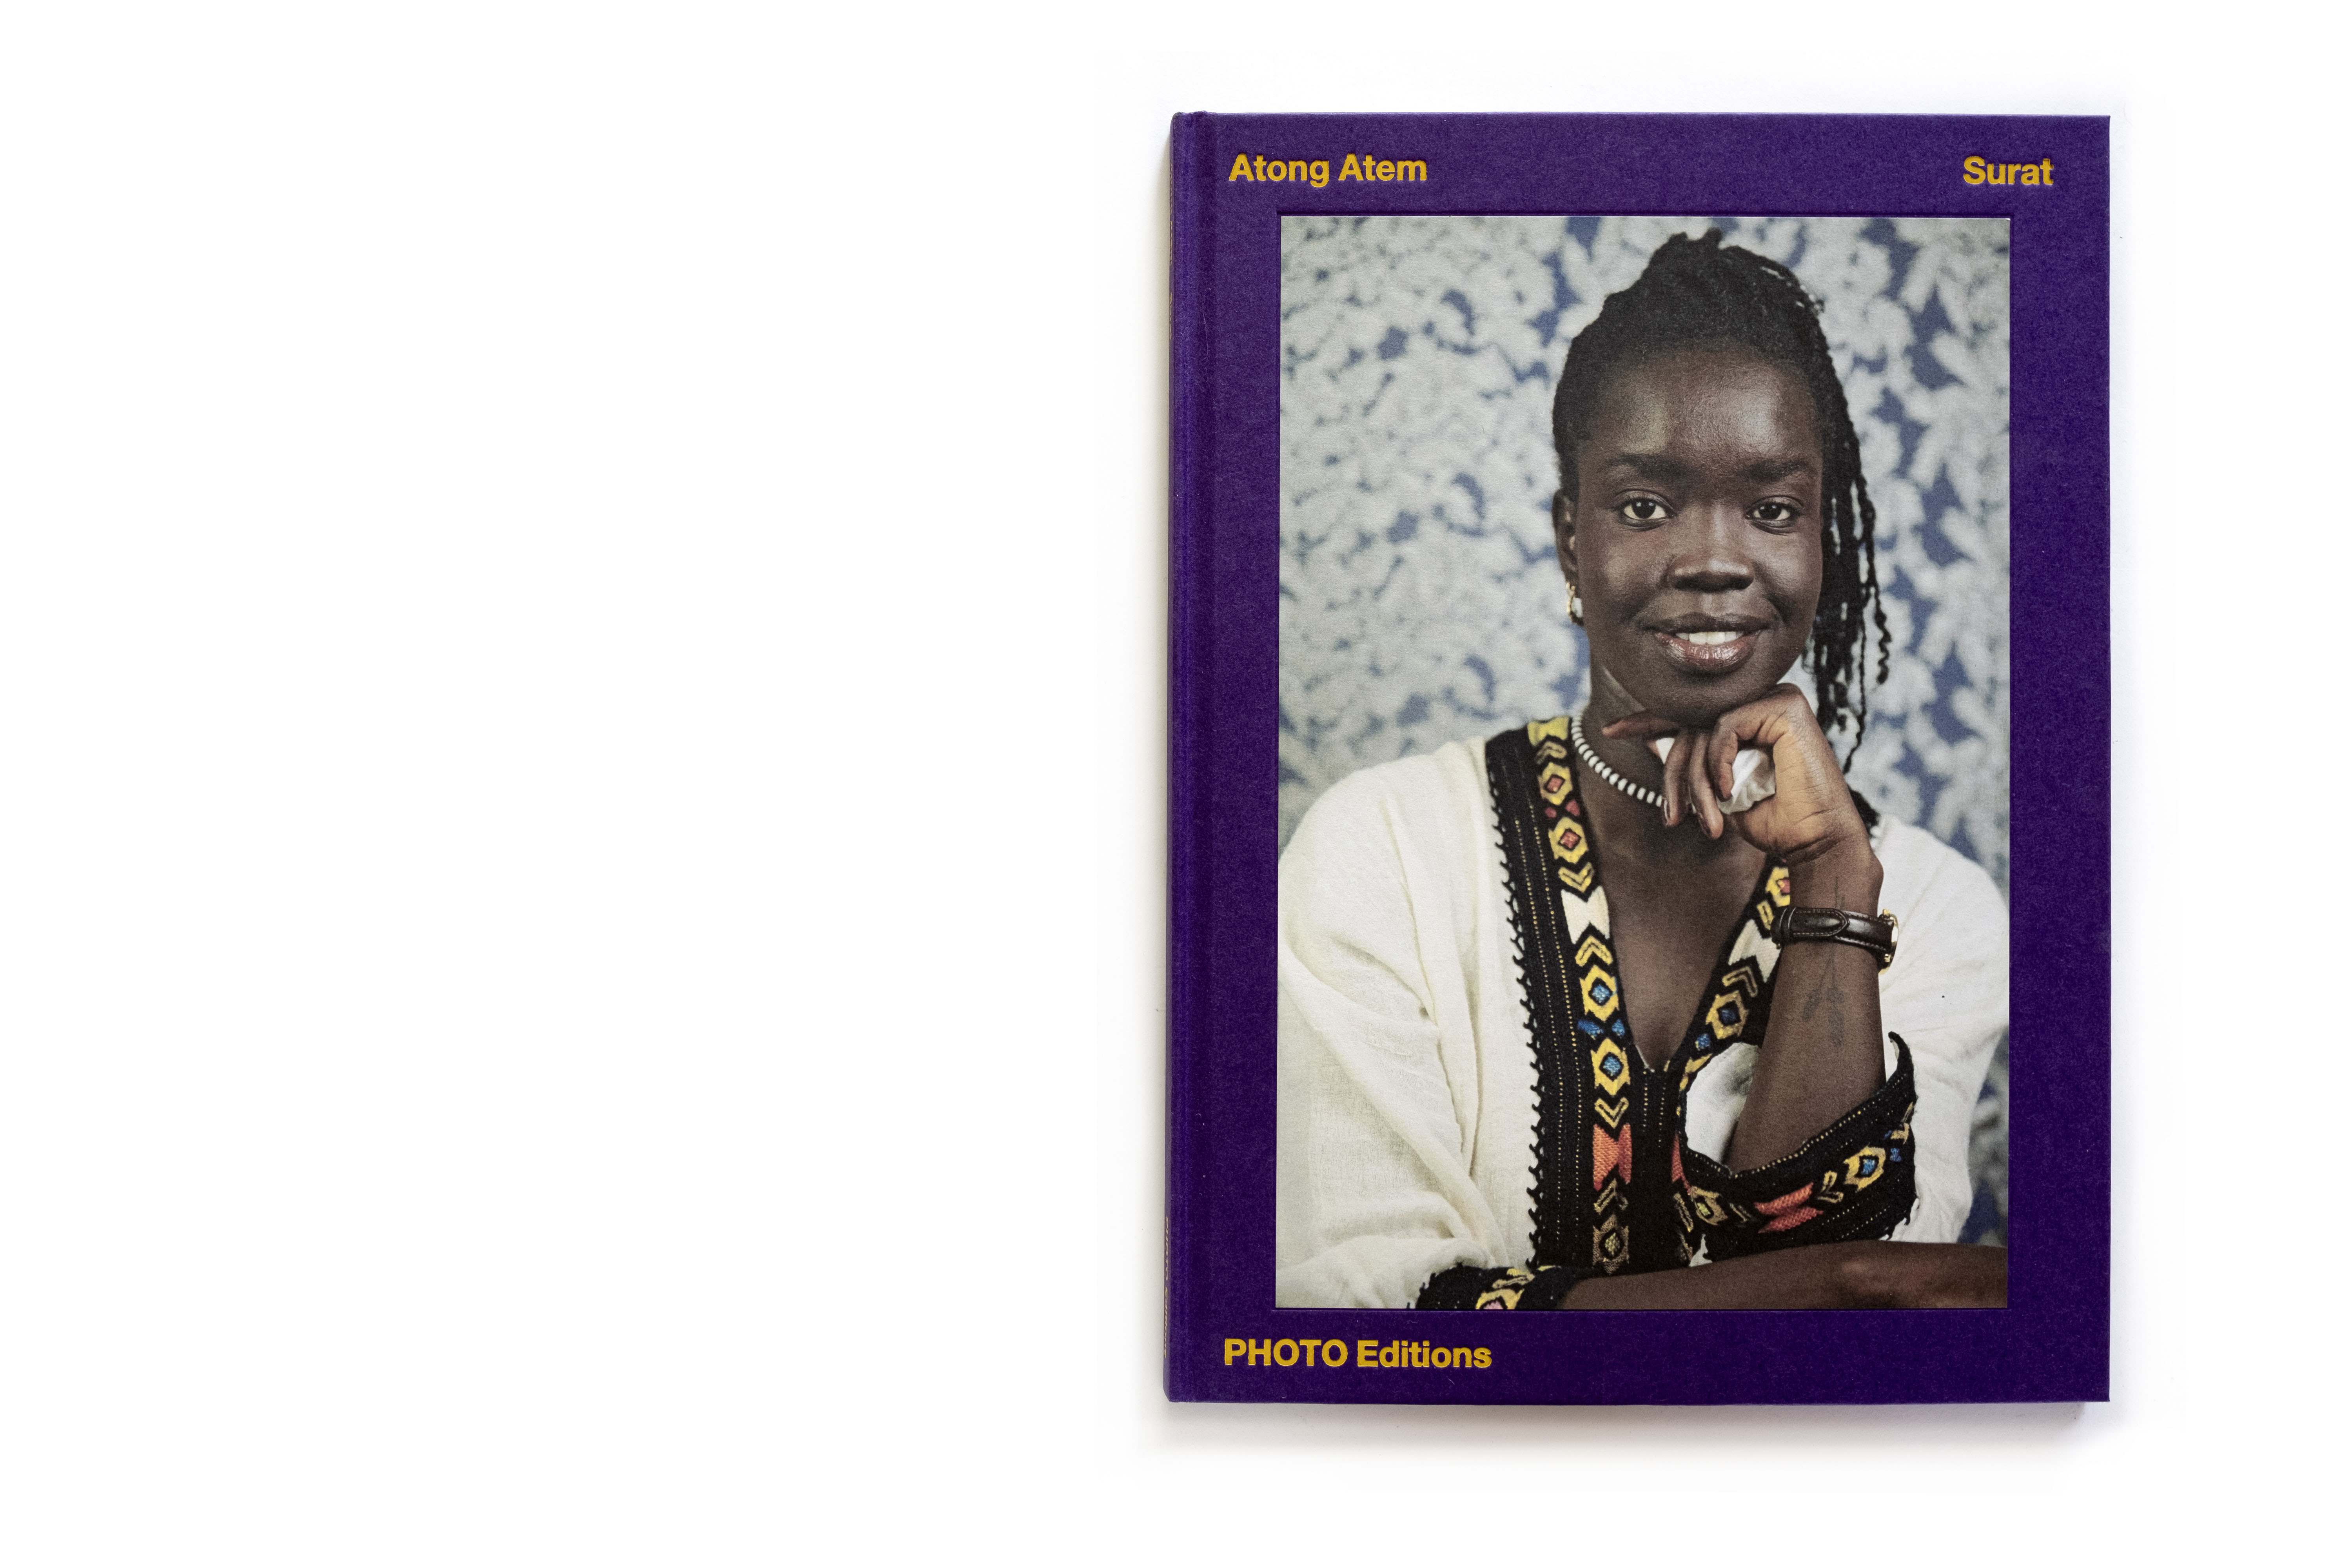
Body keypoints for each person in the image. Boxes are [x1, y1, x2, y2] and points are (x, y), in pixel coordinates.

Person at [1276, 230, 2008, 1310]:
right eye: (1645, 506)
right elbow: (1367, 1311)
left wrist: (1832, 882)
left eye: (1773, 511)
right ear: (1571, 539)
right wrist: (1851, 1284)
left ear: (1824, 544)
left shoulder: (1943, 906)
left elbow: (1848, 1354)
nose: (1713, 561)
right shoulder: (1382, 849)